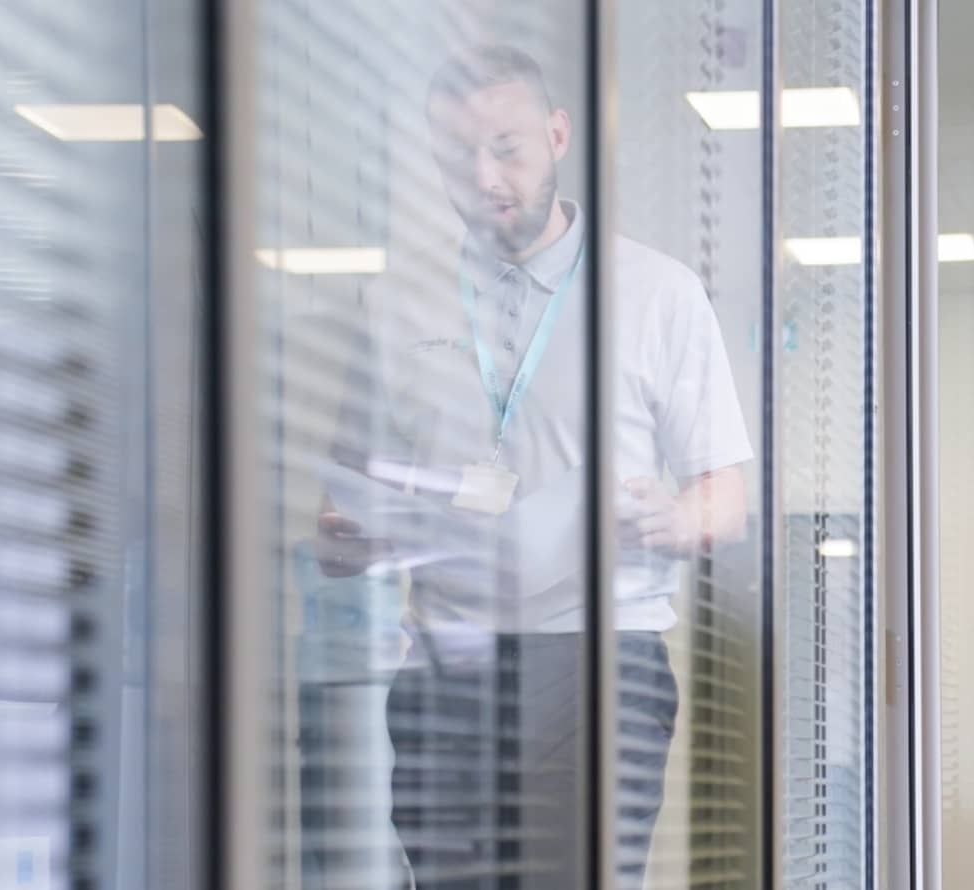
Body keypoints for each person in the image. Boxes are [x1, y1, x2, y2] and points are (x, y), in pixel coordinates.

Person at [310, 44, 753, 889]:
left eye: (506, 147)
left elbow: (724, 496)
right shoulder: (395, 299)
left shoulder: (658, 294)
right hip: (446, 661)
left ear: (557, 135)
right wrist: (349, 542)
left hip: (598, 660)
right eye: (457, 157)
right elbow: (345, 492)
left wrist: (677, 517)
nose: (484, 177)